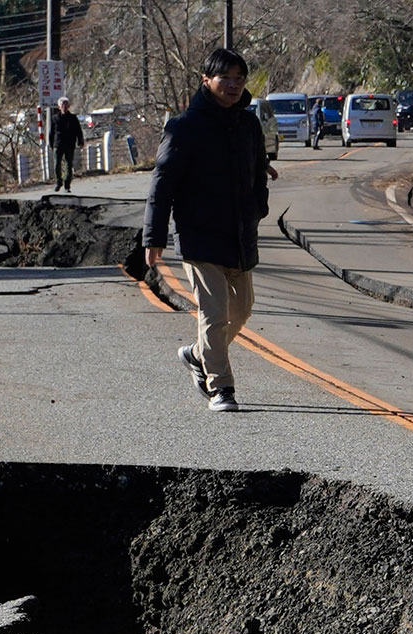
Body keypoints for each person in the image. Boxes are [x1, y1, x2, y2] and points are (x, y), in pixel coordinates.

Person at [143, 47, 270, 413]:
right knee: (213, 314)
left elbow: (258, 169)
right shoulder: (184, 127)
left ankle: (198, 355)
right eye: (224, 78)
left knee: (242, 310)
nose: (232, 85)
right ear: (206, 81)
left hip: (239, 235)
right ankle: (221, 388)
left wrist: (258, 207)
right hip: (199, 236)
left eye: (239, 79)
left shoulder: (248, 124)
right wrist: (153, 238)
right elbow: (162, 183)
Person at [52, 97, 82, 192]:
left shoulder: (73, 118)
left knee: (69, 165)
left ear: (68, 106)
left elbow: (78, 130)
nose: (64, 107)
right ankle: (58, 181)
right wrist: (50, 144)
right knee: (57, 164)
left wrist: (80, 141)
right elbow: (51, 132)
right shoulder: (55, 118)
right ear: (59, 107)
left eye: (66, 105)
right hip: (58, 144)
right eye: (62, 105)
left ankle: (67, 185)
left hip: (69, 144)